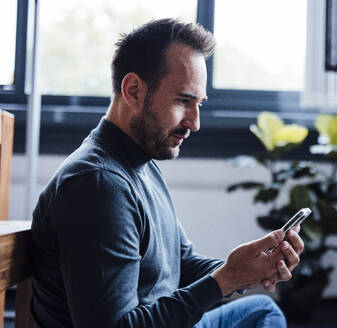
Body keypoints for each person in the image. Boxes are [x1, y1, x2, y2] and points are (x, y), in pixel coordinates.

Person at [30, 18, 304, 328]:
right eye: (183, 101)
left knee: (262, 312)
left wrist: (251, 268)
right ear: (133, 91)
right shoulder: (97, 185)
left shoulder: (140, 162)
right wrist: (224, 280)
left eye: (198, 103)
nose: (195, 122)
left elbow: (180, 264)